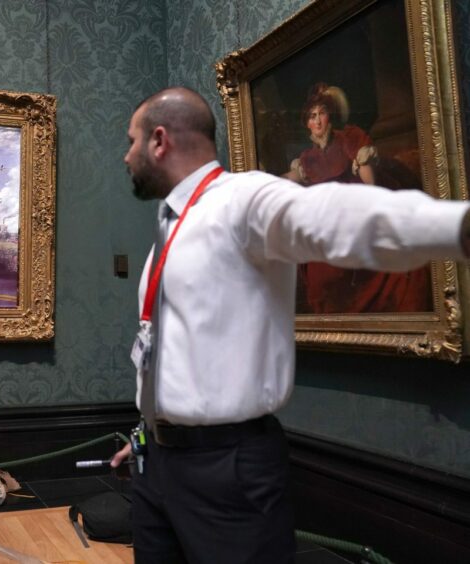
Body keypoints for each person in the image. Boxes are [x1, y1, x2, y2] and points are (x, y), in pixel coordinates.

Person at [110, 86, 470, 563]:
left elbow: (333, 215)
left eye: (131, 141)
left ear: (160, 140)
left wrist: (456, 227)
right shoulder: (169, 227)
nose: (125, 155)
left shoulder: (243, 199)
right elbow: (172, 351)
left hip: (228, 471)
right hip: (156, 463)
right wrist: (147, 433)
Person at [284, 83, 431, 313]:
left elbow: (369, 183)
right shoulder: (307, 158)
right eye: (312, 117)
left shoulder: (349, 138)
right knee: (318, 271)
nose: (318, 121)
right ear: (307, 125)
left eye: (322, 113)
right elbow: (292, 177)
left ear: (330, 116)